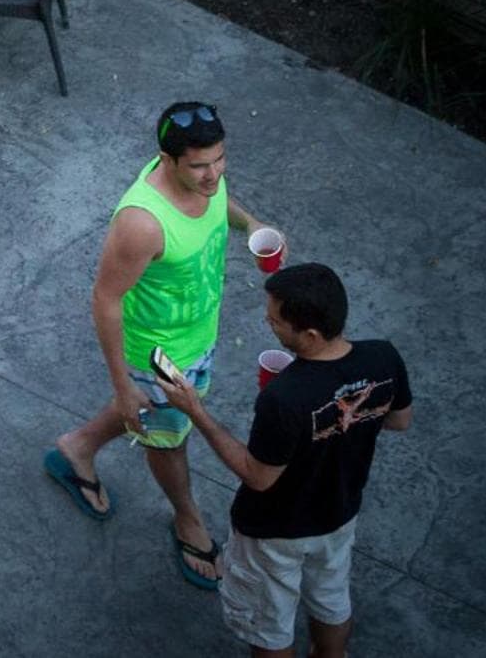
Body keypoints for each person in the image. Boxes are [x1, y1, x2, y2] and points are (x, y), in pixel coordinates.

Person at [43, 102, 278, 591]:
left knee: (151, 413)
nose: (214, 174)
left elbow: (220, 199)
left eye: (220, 159)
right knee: (170, 439)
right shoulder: (142, 223)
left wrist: (252, 224)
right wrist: (123, 385)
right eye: (200, 166)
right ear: (167, 160)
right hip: (161, 356)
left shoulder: (203, 179)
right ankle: (188, 520)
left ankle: (77, 448)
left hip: (199, 334)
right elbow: (105, 299)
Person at [153, 263, 412, 658]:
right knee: (331, 599)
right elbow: (399, 420)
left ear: (309, 335)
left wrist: (195, 410)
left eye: (275, 320)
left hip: (275, 532)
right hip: (340, 514)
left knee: (269, 626)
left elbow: (257, 476)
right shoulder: (383, 357)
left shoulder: (284, 398)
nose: (267, 323)